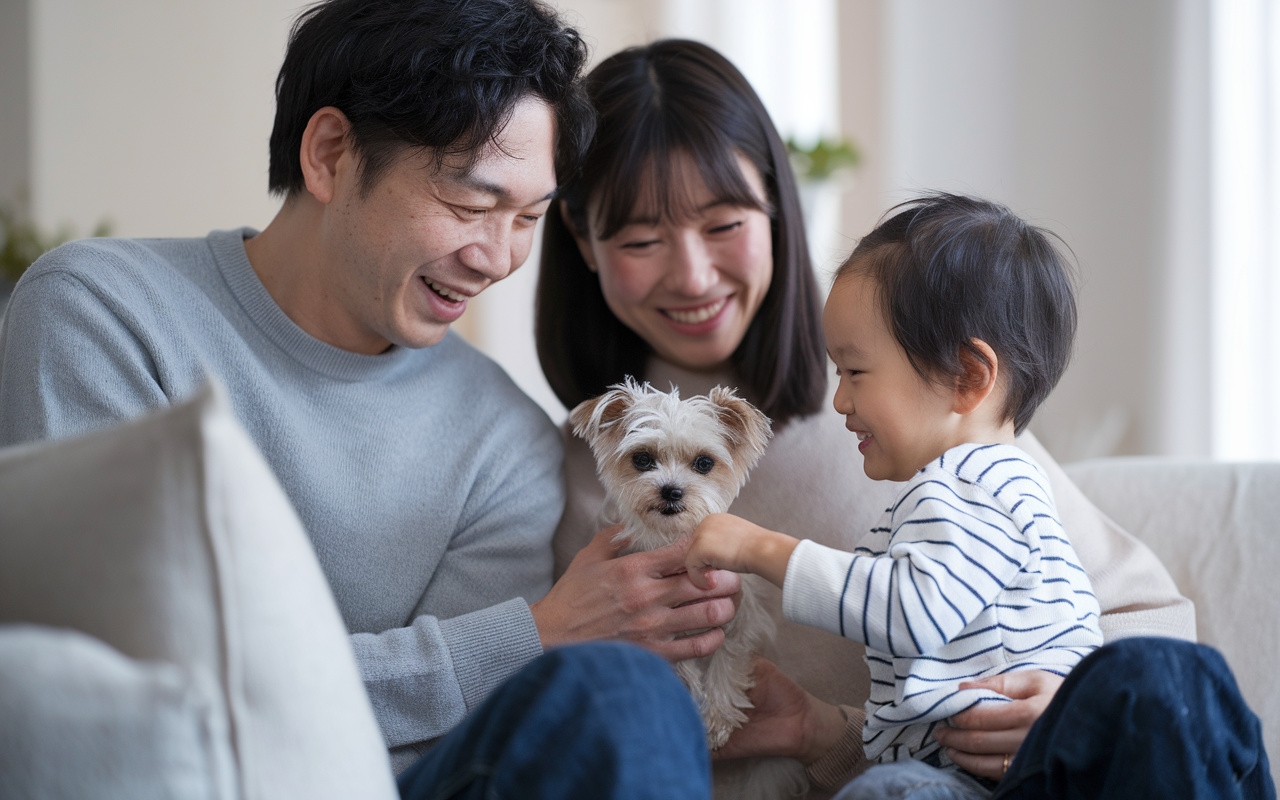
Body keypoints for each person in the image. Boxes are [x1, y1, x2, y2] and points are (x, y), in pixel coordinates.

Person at [0, 2, 730, 796]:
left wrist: (510, 651)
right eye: (470, 204)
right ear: (330, 154)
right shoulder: (105, 314)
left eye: (528, 217)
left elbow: (442, 745)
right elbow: (117, 688)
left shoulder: (505, 440)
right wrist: (527, 635)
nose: (497, 257)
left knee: (628, 696)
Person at [535, 38, 1268, 798]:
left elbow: (1146, 626)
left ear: (778, 213)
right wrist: (818, 731)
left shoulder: (907, 404)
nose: (692, 273)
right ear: (583, 243)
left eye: (723, 225)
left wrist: (1066, 710)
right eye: (642, 239)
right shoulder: (568, 478)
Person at [684, 193, 1106, 798]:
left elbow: (912, 612)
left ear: (966, 377)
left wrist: (760, 548)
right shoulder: (994, 484)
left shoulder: (968, 489)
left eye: (855, 372)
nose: (840, 402)